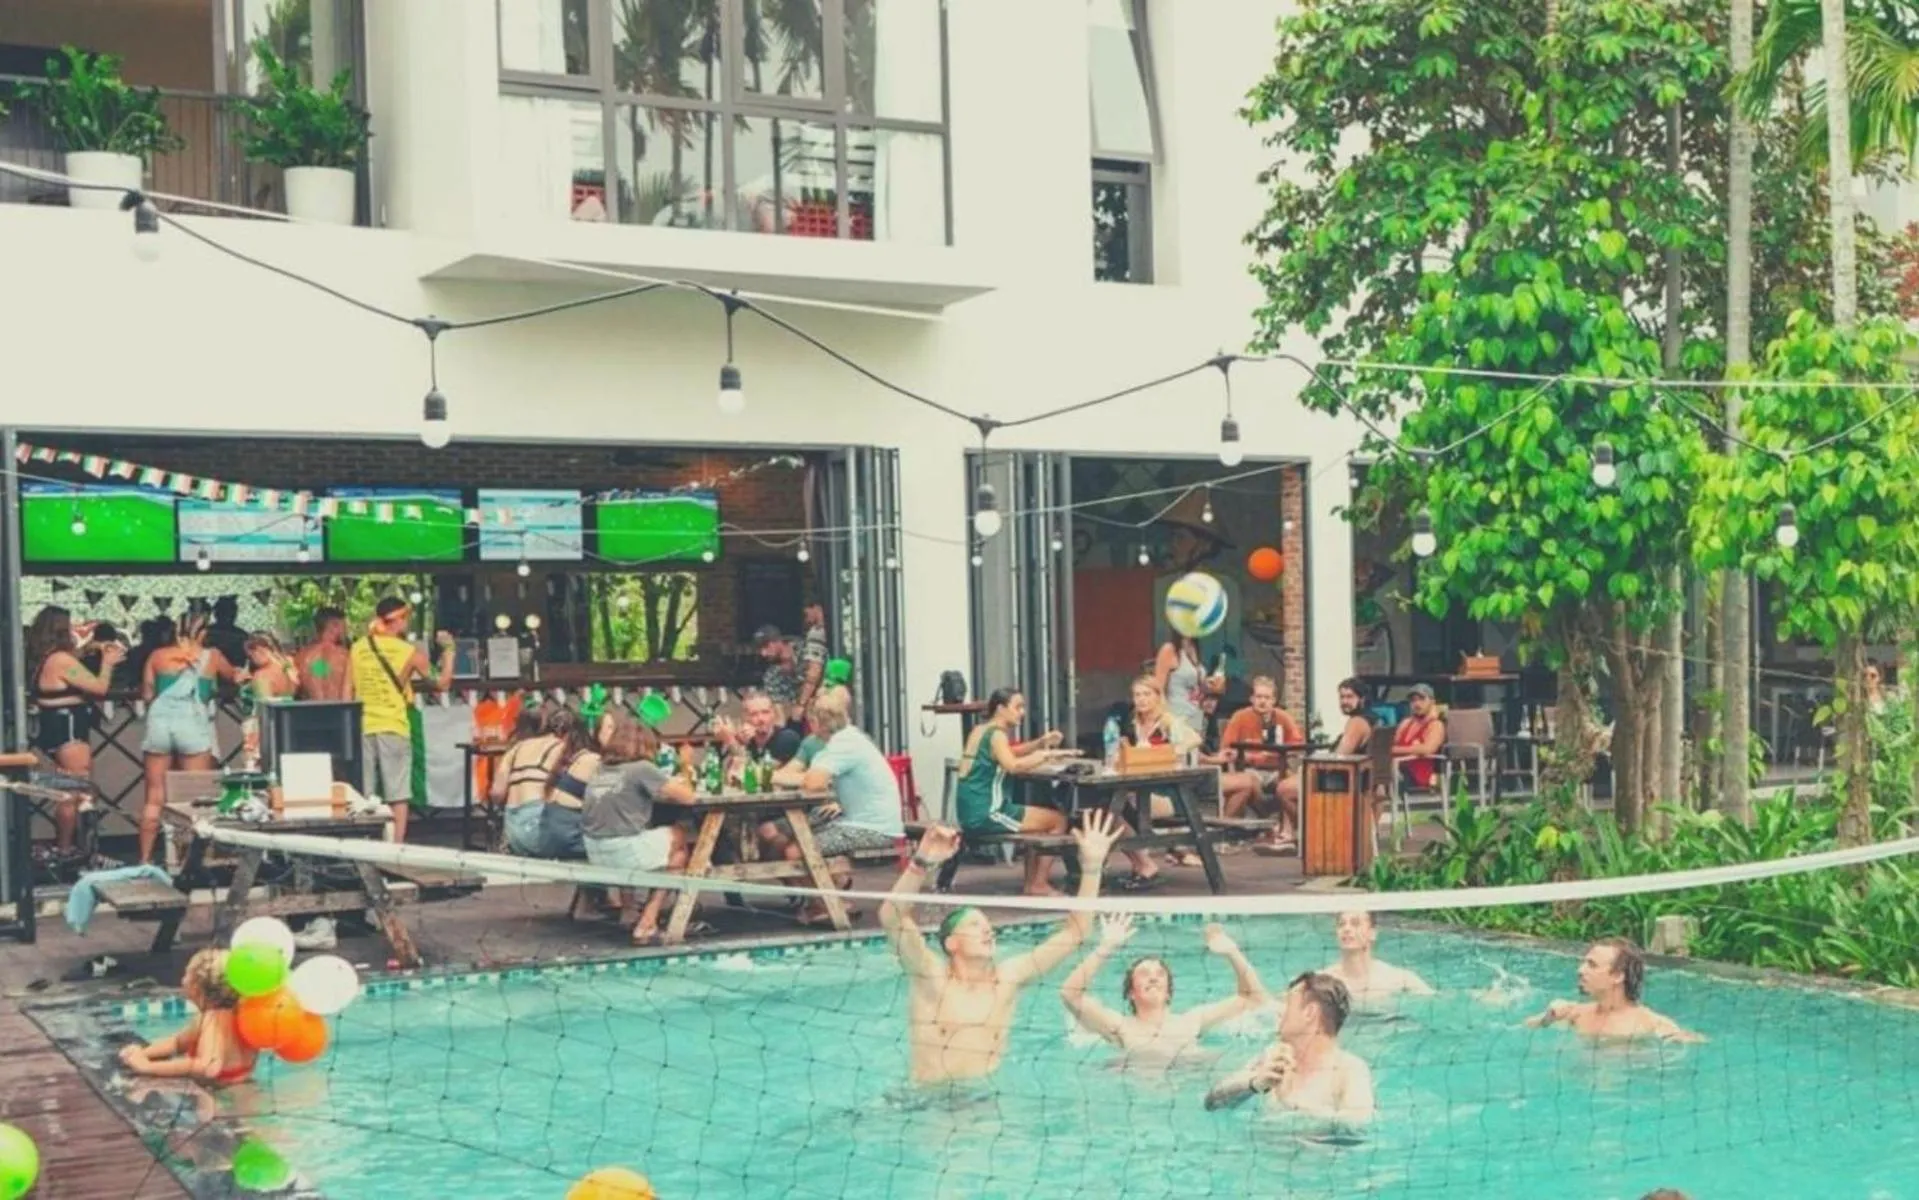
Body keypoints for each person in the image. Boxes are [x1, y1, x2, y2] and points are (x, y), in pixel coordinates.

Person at [879, 812, 1122, 1086]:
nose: (986, 931)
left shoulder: (1008, 979)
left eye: (987, 927)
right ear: (951, 943)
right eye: (974, 925)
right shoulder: (929, 975)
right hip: (930, 1103)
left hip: (982, 1103)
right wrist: (921, 863)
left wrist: (1091, 867)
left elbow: (1076, 932)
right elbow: (892, 916)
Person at [765, 686, 906, 924]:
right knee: (780, 836)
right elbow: (810, 778)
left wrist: (772, 777)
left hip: (873, 828)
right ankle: (821, 901)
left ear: (816, 722)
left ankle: (830, 905)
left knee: (794, 851)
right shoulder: (846, 738)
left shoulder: (843, 745)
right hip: (863, 820)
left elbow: (813, 783)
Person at [1059, 916, 1269, 1064]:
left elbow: (1253, 997)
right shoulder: (1119, 1026)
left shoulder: (1192, 1021)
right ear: (1131, 993)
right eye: (1143, 974)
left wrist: (1232, 952)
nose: (1153, 977)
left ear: (1168, 991)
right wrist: (1105, 947)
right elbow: (1070, 993)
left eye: (1160, 974)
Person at [139, 607, 247, 864]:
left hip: (159, 723)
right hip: (192, 722)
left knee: (154, 796)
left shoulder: (157, 656)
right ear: (204, 632)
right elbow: (236, 677)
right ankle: (190, 861)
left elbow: (146, 694)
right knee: (194, 797)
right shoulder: (211, 656)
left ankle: (144, 860)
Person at [347, 597, 456, 844]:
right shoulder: (409, 652)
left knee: (363, 793)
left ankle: (363, 844)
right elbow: (442, 684)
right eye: (405, 618)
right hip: (394, 725)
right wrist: (449, 650)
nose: (406, 623)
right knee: (398, 794)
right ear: (397, 620)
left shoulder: (358, 647)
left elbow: (346, 692)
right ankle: (395, 848)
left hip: (362, 726)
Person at [582, 710, 696, 945]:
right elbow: (688, 798)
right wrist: (685, 764)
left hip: (594, 852)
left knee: (638, 831)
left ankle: (629, 910)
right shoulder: (641, 768)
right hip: (623, 852)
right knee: (678, 839)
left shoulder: (600, 769)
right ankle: (648, 920)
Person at [1205, 972, 1375, 1127]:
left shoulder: (1349, 1070)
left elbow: (1358, 1123)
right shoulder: (1271, 1058)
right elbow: (1212, 1102)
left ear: (1310, 1013)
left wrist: (1298, 1109)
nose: (1279, 1013)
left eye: (1287, 1005)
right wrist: (1253, 1084)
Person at [952, 687, 1072, 896]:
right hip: (987, 812)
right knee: (1058, 820)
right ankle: (1039, 884)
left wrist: (1040, 743)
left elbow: (1008, 753)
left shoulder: (981, 730)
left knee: (1039, 824)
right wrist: (1046, 756)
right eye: (1018, 707)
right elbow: (1013, 765)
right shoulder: (997, 734)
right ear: (1000, 709)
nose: (1022, 712)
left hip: (971, 812)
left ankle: (1032, 885)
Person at [25, 605, 123, 858]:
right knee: (76, 788)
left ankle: (69, 845)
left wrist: (87, 649)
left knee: (70, 787)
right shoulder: (61, 660)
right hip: (69, 729)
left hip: (54, 727)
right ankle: (69, 847)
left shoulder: (46, 658)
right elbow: (98, 687)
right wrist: (108, 663)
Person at [118, 948, 256, 1086]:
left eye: (186, 974)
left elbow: (208, 1067)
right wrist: (142, 1054)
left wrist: (147, 1067)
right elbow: (177, 1043)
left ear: (197, 987)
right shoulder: (239, 1012)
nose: (182, 980)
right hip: (246, 1088)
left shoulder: (213, 1019)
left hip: (223, 1093)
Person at [1527, 937, 1703, 1042]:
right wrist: (1548, 1017)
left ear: (1618, 976)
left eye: (1592, 965)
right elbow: (1525, 1028)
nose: (1580, 970)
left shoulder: (1649, 1023)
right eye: (1584, 962)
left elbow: (1695, 1041)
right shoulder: (1575, 1014)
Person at [1213, 676, 1304, 853]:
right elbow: (1226, 749)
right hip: (1249, 768)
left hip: (1278, 768)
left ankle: (1286, 833)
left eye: (1267, 698)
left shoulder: (1283, 717)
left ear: (1274, 700)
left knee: (1288, 785)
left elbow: (1298, 743)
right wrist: (1251, 756)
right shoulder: (1240, 717)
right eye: (1259, 697)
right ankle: (1269, 823)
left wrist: (1279, 752)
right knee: (1249, 781)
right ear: (1252, 698)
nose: (1262, 701)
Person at [502, 706, 598, 861]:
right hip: (539, 826)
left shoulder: (514, 749)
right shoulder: (559, 747)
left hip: (512, 832)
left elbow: (496, 793)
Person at [1321, 911, 1434, 1005]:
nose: (1346, 929)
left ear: (1372, 933)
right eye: (1341, 924)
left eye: (1355, 924)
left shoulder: (1399, 980)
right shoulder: (1322, 982)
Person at [754, 624, 825, 726]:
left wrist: (802, 704)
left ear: (778, 641)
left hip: (825, 702)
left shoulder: (806, 648)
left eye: (766, 646)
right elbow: (780, 714)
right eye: (760, 649)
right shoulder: (771, 675)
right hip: (801, 720)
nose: (763, 653)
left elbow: (816, 672)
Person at [712, 689, 803, 769]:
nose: (761, 719)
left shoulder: (787, 737)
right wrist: (739, 742)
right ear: (745, 718)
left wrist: (730, 740)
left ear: (773, 714)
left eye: (765, 712)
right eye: (754, 714)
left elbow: (761, 774)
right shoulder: (747, 739)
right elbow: (732, 775)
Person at [1153, 630, 1218, 732]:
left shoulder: (1194, 647)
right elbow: (1157, 689)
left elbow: (1195, 687)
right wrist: (1164, 717)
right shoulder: (1169, 649)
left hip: (1196, 717)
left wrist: (1208, 686)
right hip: (1177, 716)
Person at [1393, 683, 1447, 791]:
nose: (1417, 704)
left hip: (1419, 774)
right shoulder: (1406, 723)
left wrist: (1395, 750)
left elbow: (1428, 749)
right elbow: (1393, 743)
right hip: (1399, 767)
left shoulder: (1435, 725)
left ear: (1432, 702)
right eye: (1413, 700)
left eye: (1422, 699)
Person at [295, 607, 351, 702]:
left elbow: (295, 691)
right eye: (344, 626)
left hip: (311, 713)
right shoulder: (345, 656)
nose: (346, 630)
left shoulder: (301, 657)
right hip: (339, 712)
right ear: (335, 626)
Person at [1331, 677, 1378, 756]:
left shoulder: (1357, 722)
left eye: (1350, 697)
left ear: (1362, 699)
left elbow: (1340, 756)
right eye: (1342, 697)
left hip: (1344, 767)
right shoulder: (1372, 717)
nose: (1344, 701)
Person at [204, 595, 250, 673]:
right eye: (225, 612)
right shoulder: (207, 633)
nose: (229, 616)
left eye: (231, 612)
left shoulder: (241, 636)